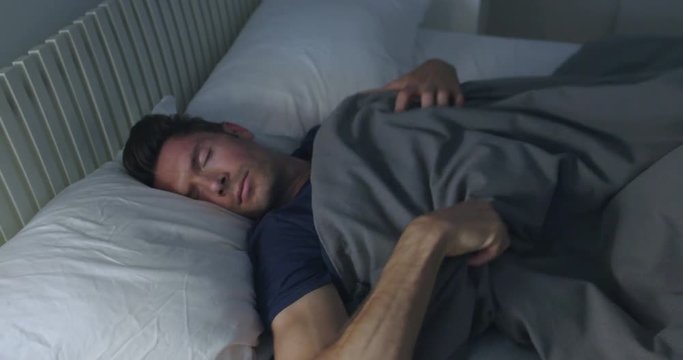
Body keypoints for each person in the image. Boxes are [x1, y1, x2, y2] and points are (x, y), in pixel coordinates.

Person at [123, 59, 510, 360]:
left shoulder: (331, 133)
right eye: (195, 196)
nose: (214, 184)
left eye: (204, 158)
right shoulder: (281, 241)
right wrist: (426, 239)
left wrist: (436, 69)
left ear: (236, 130)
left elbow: (416, 93)